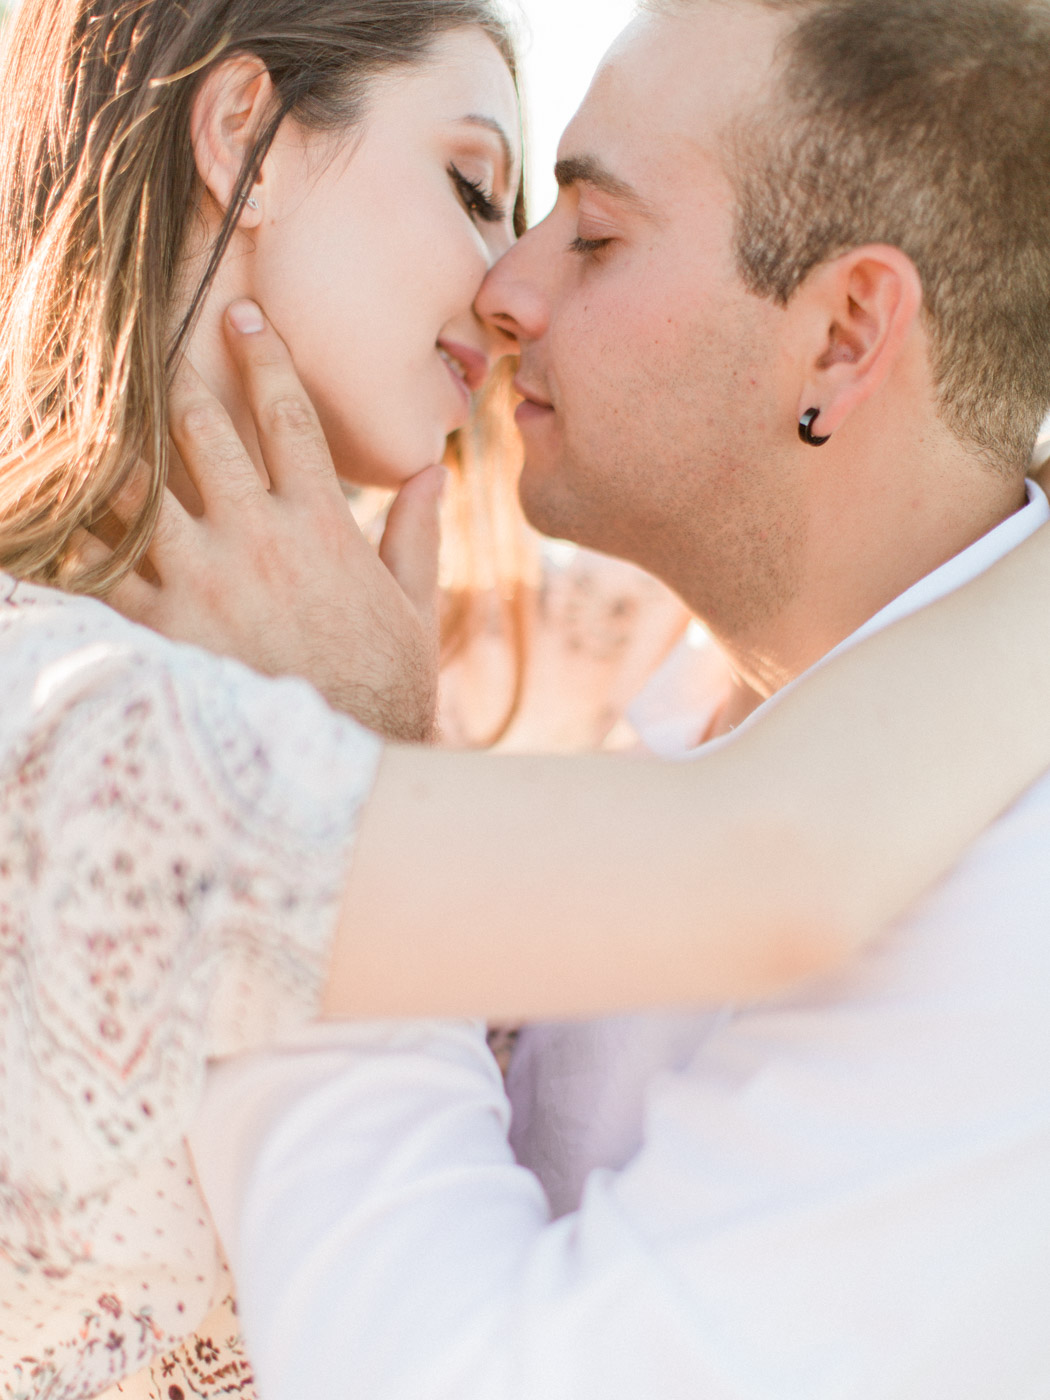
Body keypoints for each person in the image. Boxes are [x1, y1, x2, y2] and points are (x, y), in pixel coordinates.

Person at [1, 0, 1049, 1398]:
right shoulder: (67, 711)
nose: (506, 289)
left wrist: (353, 747)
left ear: (847, 332)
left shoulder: (961, 859)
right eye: (475, 189)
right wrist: (349, 747)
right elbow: (771, 858)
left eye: (588, 232)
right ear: (241, 131)